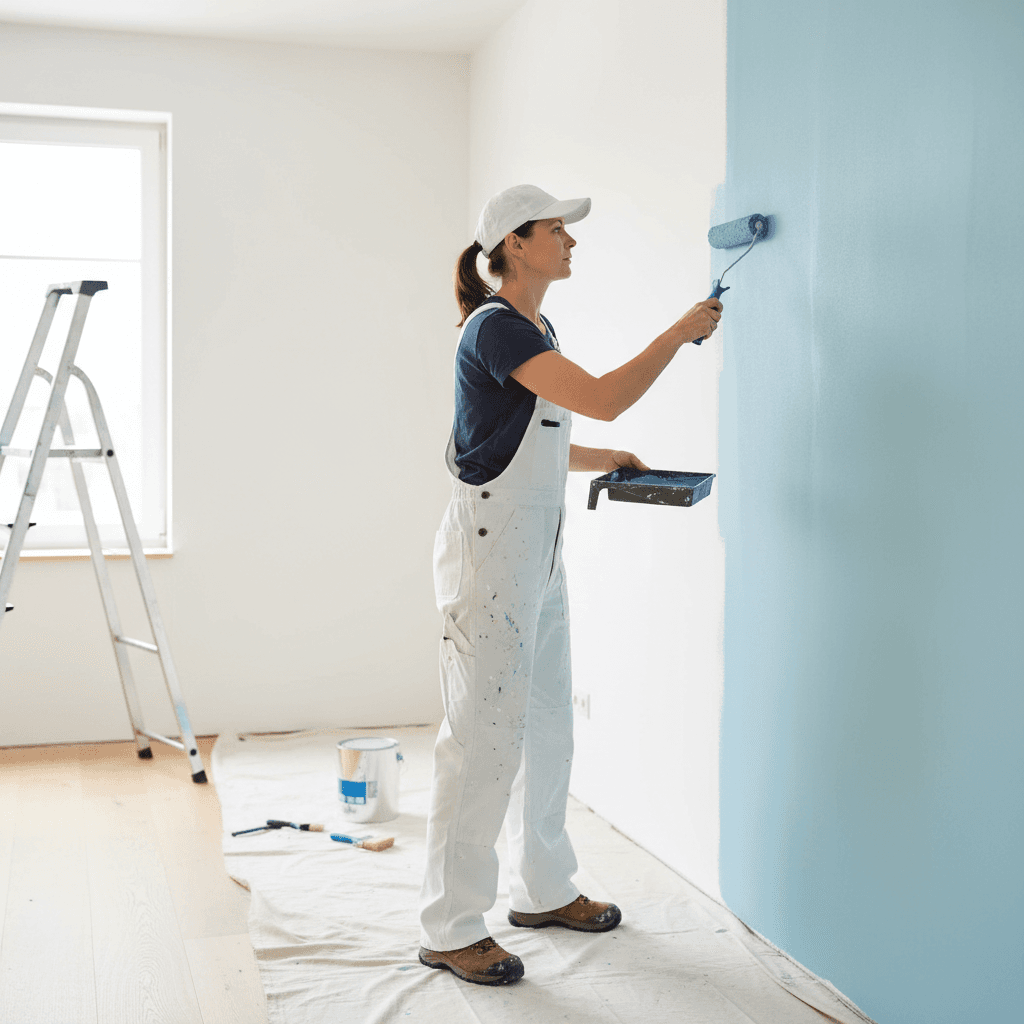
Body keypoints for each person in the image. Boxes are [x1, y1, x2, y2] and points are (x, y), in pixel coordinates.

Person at [418, 184, 723, 986]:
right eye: (558, 230)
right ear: (515, 245)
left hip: (538, 550)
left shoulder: (536, 328)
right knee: (482, 738)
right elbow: (605, 397)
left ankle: (545, 889)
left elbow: (522, 434)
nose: (571, 241)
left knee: (549, 725)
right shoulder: (493, 329)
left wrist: (602, 460)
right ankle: (450, 926)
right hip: (491, 554)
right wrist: (681, 332)